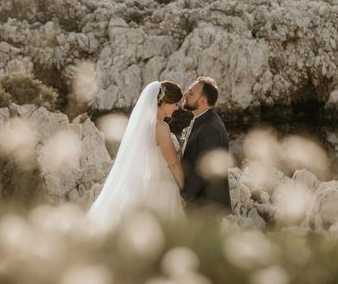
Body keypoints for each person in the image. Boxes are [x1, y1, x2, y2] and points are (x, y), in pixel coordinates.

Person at [87, 80, 185, 224]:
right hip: (163, 189)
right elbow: (173, 162)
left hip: (147, 185)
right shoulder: (160, 127)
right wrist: (183, 186)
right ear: (164, 102)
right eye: (175, 103)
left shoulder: (142, 125)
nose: (177, 107)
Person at [179, 77, 233, 214]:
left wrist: (184, 198)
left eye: (191, 93)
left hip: (207, 207)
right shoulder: (201, 119)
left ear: (203, 101)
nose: (185, 95)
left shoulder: (211, 128)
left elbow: (205, 170)